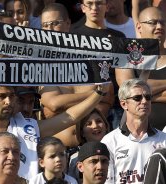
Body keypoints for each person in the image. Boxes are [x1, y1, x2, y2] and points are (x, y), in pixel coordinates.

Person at [39, 3, 113, 148]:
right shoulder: (42, 64)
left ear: (68, 24)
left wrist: (64, 103)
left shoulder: (90, 56)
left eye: (55, 24)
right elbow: (53, 104)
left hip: (97, 146)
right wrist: (96, 94)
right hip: (59, 150)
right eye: (45, 25)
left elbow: (108, 96)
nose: (50, 30)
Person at [101, 78, 166, 183]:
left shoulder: (164, 139)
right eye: (137, 98)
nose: (144, 101)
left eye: (148, 97)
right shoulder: (110, 141)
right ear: (124, 104)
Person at [115, 6, 166, 130]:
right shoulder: (126, 58)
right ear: (139, 27)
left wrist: (142, 96)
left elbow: (136, 95)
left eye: (162, 22)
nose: (159, 27)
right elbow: (129, 92)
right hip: (137, 136)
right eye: (152, 23)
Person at [67, 108, 110, 181]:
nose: (95, 126)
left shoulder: (117, 149)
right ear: (82, 132)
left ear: (106, 126)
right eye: (88, 124)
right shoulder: (75, 158)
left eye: (99, 121)